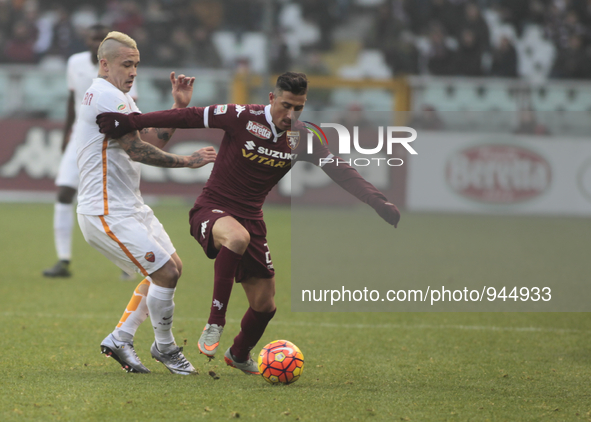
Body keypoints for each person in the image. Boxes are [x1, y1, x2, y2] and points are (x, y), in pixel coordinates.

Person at [96, 72, 400, 375]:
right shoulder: (242, 116)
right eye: (285, 105)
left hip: (252, 219)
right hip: (211, 209)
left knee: (265, 305)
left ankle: (238, 353)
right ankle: (215, 322)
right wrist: (129, 122)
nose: (290, 114)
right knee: (236, 238)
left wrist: (378, 202)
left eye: (298, 108)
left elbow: (340, 170)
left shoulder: (303, 137)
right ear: (271, 98)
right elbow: (191, 116)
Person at [77, 31, 216, 374]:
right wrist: (189, 161)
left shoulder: (119, 95)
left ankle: (120, 338)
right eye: (127, 64)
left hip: (130, 206)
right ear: (104, 64)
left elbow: (150, 139)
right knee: (164, 273)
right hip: (106, 210)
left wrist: (178, 108)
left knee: (172, 269)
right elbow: (137, 151)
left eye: (137, 64)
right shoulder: (107, 96)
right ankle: (165, 347)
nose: (134, 71)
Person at [42, 24, 138, 280]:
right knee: (64, 192)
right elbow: (71, 99)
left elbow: (131, 103)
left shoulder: (120, 66)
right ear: (86, 40)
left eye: (100, 38)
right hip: (79, 137)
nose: (95, 42)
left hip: (109, 140)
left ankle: (127, 261)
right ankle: (63, 260)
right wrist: (66, 133)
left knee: (117, 199)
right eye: (92, 38)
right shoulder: (75, 63)